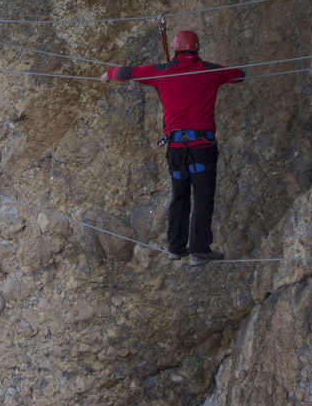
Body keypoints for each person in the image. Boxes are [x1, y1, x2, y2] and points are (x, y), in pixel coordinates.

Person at [100, 30, 245, 266]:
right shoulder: (211, 71)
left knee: (179, 196)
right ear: (197, 49)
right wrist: (219, 72)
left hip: (176, 149)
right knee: (202, 197)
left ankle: (176, 248)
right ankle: (199, 250)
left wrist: (108, 74)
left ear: (175, 49)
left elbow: (128, 72)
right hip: (202, 147)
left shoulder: (160, 71)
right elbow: (240, 75)